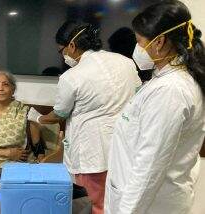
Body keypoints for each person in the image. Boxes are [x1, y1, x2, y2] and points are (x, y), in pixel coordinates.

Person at [27, 21, 141, 214]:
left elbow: (59, 114)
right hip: (125, 146)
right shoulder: (126, 62)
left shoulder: (72, 76)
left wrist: (39, 118)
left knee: (94, 204)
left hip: (93, 153)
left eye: (61, 51)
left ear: (71, 45)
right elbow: (138, 93)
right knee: (119, 201)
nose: (63, 56)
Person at [104, 1, 205, 213]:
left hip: (149, 205)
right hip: (148, 199)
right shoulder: (164, 80)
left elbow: (149, 166)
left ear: (159, 41)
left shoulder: (171, 91)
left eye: (139, 42)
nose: (136, 49)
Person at [0, 70, 45, 171]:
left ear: (13, 89)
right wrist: (7, 153)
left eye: (5, 84)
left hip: (19, 167)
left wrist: (42, 169)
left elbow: (38, 148)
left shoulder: (26, 112)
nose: (0, 89)